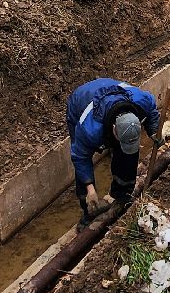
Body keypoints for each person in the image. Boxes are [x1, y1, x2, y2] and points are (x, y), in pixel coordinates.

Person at [66, 78, 163, 226]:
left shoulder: (142, 101)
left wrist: (154, 131)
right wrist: (89, 188)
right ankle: (88, 212)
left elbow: (152, 112)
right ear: (113, 129)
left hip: (112, 88)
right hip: (81, 100)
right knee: (83, 170)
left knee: (128, 154)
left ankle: (121, 194)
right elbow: (80, 157)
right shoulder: (90, 129)